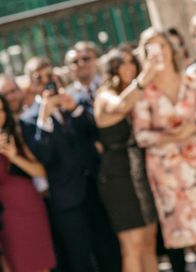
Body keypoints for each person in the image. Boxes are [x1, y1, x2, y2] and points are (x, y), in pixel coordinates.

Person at [132, 28, 196, 272]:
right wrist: (170, 136)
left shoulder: (194, 82)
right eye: (150, 48)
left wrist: (194, 130)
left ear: (171, 49)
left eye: (162, 46)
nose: (158, 53)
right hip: (167, 176)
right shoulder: (143, 92)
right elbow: (141, 135)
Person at [20, 65, 121, 272]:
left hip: (94, 188)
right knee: (80, 257)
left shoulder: (74, 100)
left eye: (51, 77)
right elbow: (44, 157)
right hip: (66, 199)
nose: (48, 82)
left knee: (108, 248)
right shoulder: (29, 119)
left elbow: (95, 132)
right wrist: (44, 118)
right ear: (33, 84)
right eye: (41, 79)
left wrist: (74, 108)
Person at [94, 45, 159, 272]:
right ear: (113, 68)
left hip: (142, 171)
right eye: (122, 63)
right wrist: (144, 78)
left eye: (132, 62)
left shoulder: (139, 92)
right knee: (133, 245)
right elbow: (121, 105)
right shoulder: (104, 95)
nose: (128, 67)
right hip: (118, 178)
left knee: (150, 242)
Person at [0, 93, 56, 272]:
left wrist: (13, 157)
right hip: (8, 217)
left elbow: (40, 171)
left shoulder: (14, 137)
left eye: (1, 110)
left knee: (42, 265)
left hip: (32, 208)